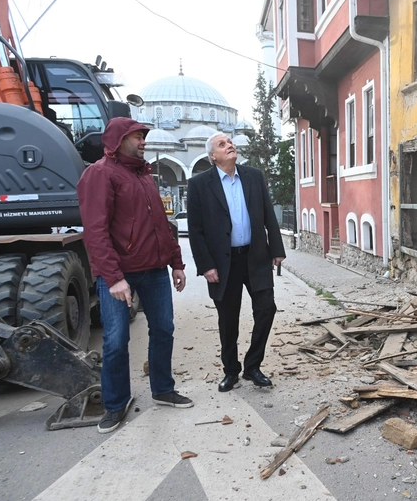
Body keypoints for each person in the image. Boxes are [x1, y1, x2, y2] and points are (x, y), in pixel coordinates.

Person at [77, 117, 193, 434]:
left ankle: (163, 389)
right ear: (118, 139)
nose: (143, 141)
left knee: (164, 330)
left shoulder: (143, 176)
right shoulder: (100, 174)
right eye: (137, 136)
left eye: (144, 136)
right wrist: (113, 278)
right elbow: (96, 232)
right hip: (119, 274)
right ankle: (116, 404)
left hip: (154, 270)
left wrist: (177, 263)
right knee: (116, 340)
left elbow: (161, 226)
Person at [187, 132, 285, 392]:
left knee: (266, 309)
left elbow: (268, 215)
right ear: (213, 156)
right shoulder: (199, 185)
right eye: (222, 144)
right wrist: (206, 266)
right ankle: (231, 370)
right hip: (223, 264)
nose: (229, 145)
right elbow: (195, 231)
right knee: (228, 319)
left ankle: (253, 366)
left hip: (256, 258)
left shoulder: (253, 176)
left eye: (229, 142)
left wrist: (277, 249)